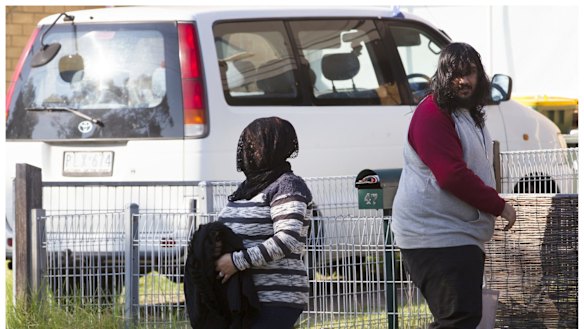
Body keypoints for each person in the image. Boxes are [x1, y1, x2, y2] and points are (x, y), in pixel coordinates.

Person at [390, 42, 517, 329]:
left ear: (480, 75)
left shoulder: (467, 113)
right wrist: (499, 205)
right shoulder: (432, 113)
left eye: (470, 72)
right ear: (442, 76)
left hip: (455, 232)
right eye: (455, 73)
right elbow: (451, 175)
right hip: (434, 234)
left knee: (463, 316)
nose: (463, 80)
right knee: (459, 317)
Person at [214, 116, 313, 329]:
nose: (246, 152)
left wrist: (236, 262)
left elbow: (288, 240)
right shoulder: (248, 188)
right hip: (244, 296)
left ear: (270, 147)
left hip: (276, 298)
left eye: (253, 146)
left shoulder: (287, 185)